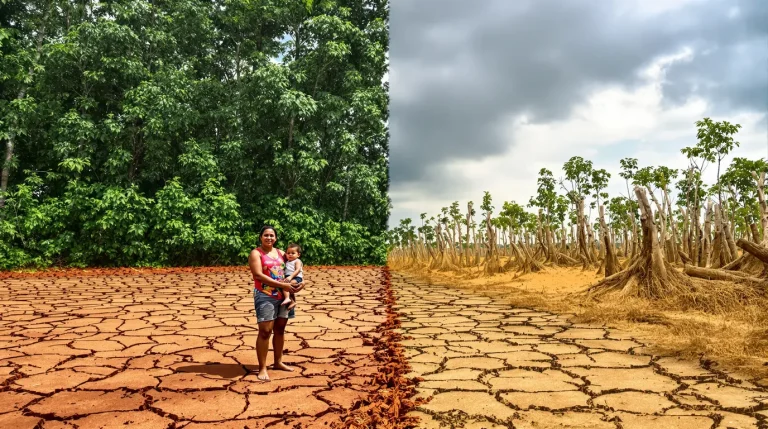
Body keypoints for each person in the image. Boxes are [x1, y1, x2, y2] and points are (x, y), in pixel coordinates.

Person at [248, 225, 304, 381]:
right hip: (265, 295)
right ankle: (262, 368)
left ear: (276, 238)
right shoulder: (256, 253)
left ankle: (278, 362)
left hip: (283, 295)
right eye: (266, 235)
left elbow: (295, 265)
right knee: (265, 331)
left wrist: (299, 283)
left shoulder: (281, 253)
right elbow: (258, 275)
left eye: (272, 235)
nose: (269, 238)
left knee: (280, 329)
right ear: (261, 237)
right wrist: (282, 285)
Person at [281, 243, 304, 310]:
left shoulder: (297, 261)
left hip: (296, 278)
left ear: (298, 255)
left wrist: (290, 277)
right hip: (289, 277)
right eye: (288, 253)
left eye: (293, 253)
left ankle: (288, 299)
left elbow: (297, 270)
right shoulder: (287, 262)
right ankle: (292, 302)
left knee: (287, 286)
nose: (290, 254)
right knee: (287, 287)